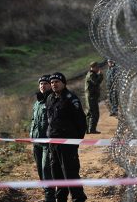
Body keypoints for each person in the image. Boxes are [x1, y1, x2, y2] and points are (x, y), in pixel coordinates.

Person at [46, 72, 87, 202]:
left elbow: (81, 121)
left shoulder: (71, 98)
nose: (54, 84)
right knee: (56, 171)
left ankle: (78, 197)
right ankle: (61, 197)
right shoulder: (50, 99)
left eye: (57, 82)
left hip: (67, 143)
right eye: (52, 82)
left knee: (70, 171)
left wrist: (75, 141)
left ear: (63, 83)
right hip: (53, 142)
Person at [29, 74, 55, 202]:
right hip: (36, 142)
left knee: (46, 169)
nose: (42, 86)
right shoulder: (37, 102)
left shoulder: (52, 100)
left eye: (45, 84)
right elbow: (34, 120)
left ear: (50, 85)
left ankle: (50, 197)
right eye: (40, 84)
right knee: (40, 169)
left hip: (47, 142)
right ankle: (47, 195)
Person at [85, 61, 103, 134]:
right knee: (94, 113)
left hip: (91, 96)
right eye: (97, 67)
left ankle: (88, 129)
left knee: (90, 113)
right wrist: (101, 75)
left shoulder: (92, 74)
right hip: (91, 97)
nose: (98, 69)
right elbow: (96, 82)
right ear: (94, 67)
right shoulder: (92, 75)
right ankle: (92, 129)